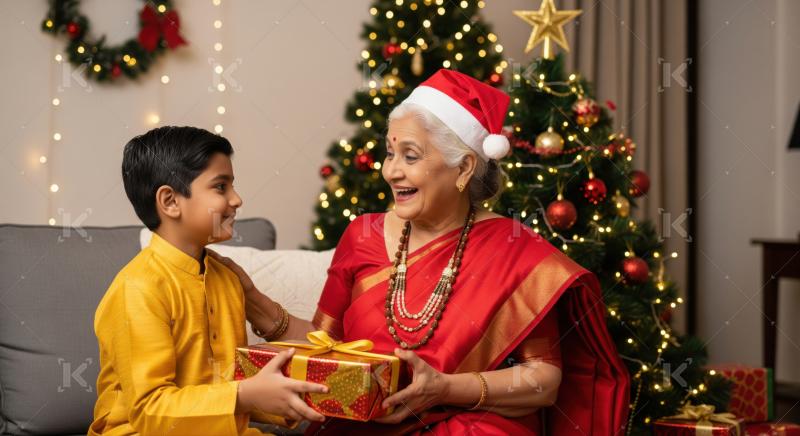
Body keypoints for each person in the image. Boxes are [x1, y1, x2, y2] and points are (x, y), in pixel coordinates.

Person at [217, 70, 630, 434]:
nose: (390, 170)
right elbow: (326, 346)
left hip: (471, 422)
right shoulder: (363, 234)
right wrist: (256, 304)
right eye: (390, 153)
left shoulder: (514, 250)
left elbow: (544, 380)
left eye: (409, 156)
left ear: (465, 168)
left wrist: (444, 389)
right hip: (366, 425)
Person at [90, 126, 328, 435]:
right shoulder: (138, 289)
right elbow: (150, 411)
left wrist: (281, 395)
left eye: (233, 185)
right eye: (221, 187)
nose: (237, 199)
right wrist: (244, 395)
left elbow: (223, 388)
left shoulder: (228, 279)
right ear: (170, 201)